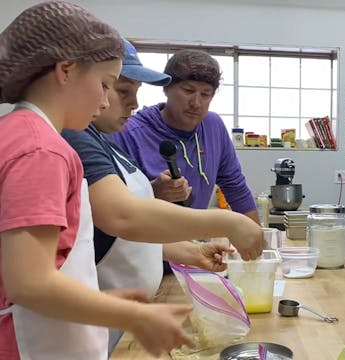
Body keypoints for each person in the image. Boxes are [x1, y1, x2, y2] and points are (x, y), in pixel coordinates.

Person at [0, 2, 194, 359]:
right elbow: (29, 281)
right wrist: (131, 314)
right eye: (105, 84)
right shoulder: (42, 150)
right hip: (33, 345)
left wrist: (101, 301)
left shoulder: (17, 133)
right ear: (66, 70)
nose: (105, 102)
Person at [61, 39, 264, 352]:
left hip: (119, 308)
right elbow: (122, 217)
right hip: (94, 310)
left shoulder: (101, 138)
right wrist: (230, 221)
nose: (132, 104)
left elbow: (112, 230)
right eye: (115, 88)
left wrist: (186, 251)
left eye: (206, 94)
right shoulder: (77, 136)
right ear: (69, 76)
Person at [110, 49, 259, 223]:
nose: (196, 103)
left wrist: (259, 241)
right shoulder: (127, 132)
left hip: (194, 242)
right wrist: (151, 192)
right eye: (188, 91)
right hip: (147, 244)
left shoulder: (213, 126)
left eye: (205, 94)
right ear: (166, 87)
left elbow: (235, 187)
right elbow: (113, 207)